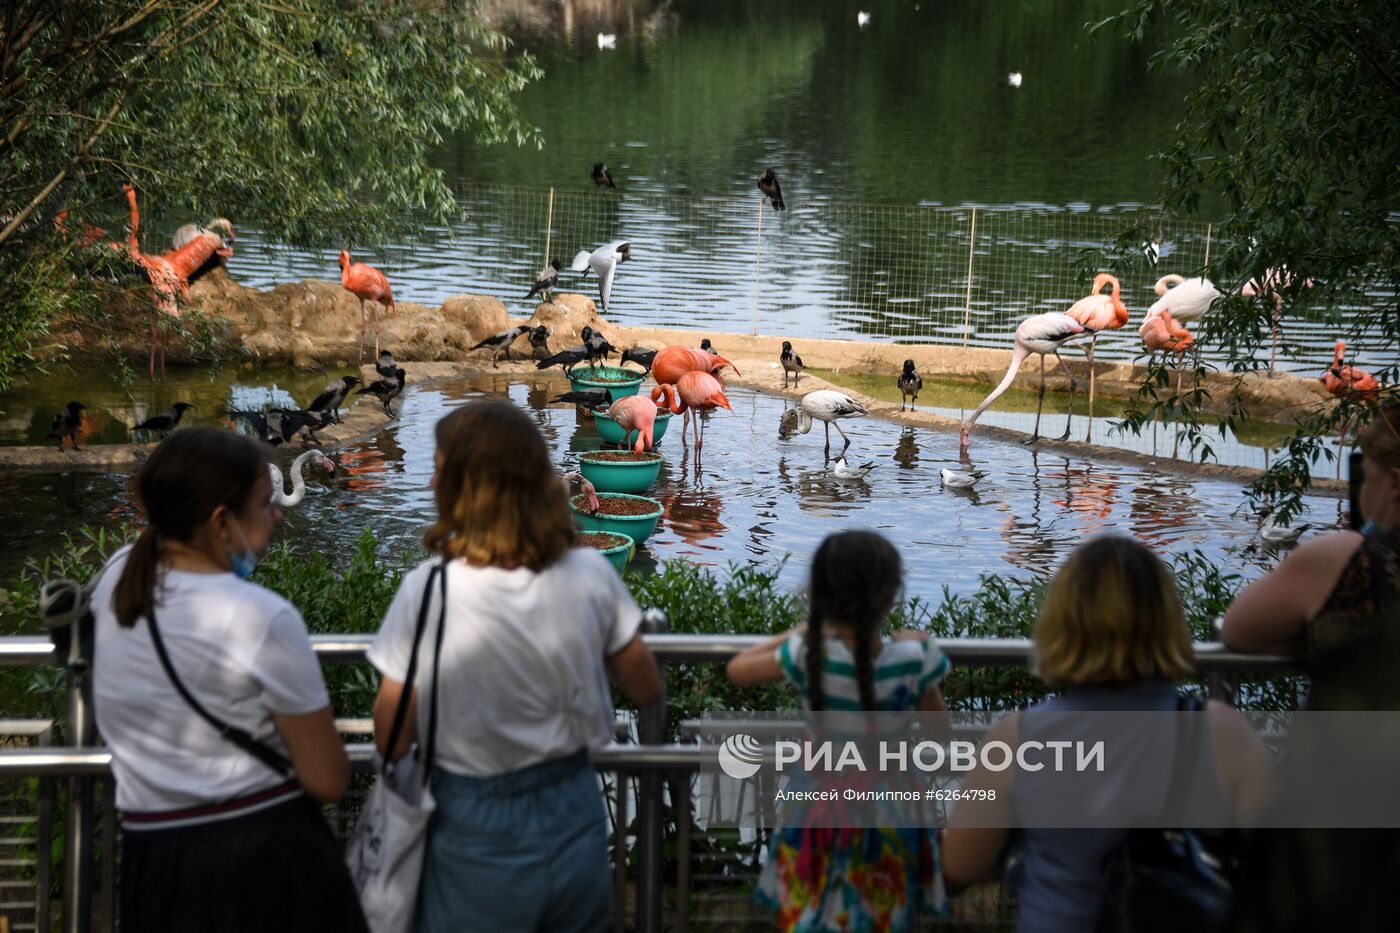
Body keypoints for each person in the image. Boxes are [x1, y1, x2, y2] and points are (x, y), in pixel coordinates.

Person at [369, 400, 662, 933]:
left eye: (438, 468)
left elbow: (393, 729)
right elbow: (644, 684)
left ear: (465, 487)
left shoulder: (431, 588)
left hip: (471, 822)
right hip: (573, 809)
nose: (431, 479)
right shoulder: (587, 574)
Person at [91, 428, 365, 933]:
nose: (278, 515)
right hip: (258, 861)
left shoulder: (113, 579)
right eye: (265, 506)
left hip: (152, 858)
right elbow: (328, 780)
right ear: (221, 522)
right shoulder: (261, 618)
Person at [942, 535, 1272, 933]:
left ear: (1061, 622)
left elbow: (962, 862)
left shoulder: (1019, 736)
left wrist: (1039, 854)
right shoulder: (1221, 732)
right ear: (1167, 620)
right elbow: (1284, 860)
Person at [726, 529, 951, 932]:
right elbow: (940, 736)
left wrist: (802, 631)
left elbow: (738, 669)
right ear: (890, 595)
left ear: (821, 596)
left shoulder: (805, 654)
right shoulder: (913, 660)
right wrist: (922, 645)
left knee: (811, 916)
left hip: (814, 806)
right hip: (890, 812)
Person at [1222, 403, 1400, 684]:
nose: (1361, 489)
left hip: (1351, 730)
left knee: (1217, 715)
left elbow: (1235, 631)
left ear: (1394, 483)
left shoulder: (1346, 556)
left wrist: (1324, 632)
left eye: (1366, 478)